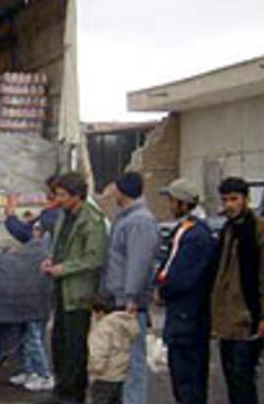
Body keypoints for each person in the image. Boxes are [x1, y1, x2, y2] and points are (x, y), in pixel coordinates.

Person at [212, 177, 264, 404]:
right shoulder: (228, 230)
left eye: (234, 199)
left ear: (246, 199)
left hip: (248, 319)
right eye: (225, 200)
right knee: (231, 378)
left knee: (243, 379)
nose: (229, 205)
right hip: (227, 320)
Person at [41, 172, 109, 404]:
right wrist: (50, 260)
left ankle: (73, 394)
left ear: (77, 196)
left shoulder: (92, 220)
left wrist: (64, 268)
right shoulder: (64, 216)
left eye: (62, 195)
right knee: (59, 342)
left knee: (75, 346)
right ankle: (61, 388)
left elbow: (94, 258)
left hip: (79, 292)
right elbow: (58, 244)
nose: (58, 199)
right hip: (61, 289)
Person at [155, 178, 218, 404]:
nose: (169, 205)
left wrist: (163, 289)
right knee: (181, 378)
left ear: (183, 203)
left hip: (188, 315)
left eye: (172, 201)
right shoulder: (186, 229)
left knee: (188, 379)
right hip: (183, 314)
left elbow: (181, 276)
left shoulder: (196, 235)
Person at [103, 172, 161, 404]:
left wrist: (131, 297)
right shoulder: (127, 218)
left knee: (133, 360)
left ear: (121, 191)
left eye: (115, 189)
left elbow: (139, 262)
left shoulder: (139, 221)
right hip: (119, 299)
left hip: (129, 303)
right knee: (121, 359)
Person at [7, 220, 56, 392]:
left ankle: (44, 374)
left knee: (33, 338)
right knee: (29, 337)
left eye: (37, 229)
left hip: (36, 299)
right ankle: (29, 370)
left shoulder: (41, 249)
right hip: (33, 298)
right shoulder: (40, 248)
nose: (34, 232)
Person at [88, 293, 141, 404]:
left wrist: (95, 369)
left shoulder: (102, 329)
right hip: (119, 374)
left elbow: (99, 352)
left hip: (104, 376)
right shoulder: (122, 324)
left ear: (100, 312)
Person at [4, 175, 61, 243]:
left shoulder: (52, 215)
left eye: (48, 193)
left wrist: (10, 215)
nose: (46, 197)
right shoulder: (55, 212)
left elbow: (28, 236)